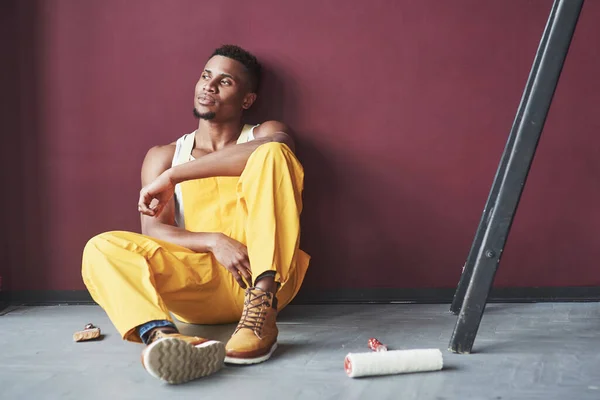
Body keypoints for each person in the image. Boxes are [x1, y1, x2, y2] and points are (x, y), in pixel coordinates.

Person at [81, 44, 310, 384]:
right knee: (100, 247)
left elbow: (277, 148)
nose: (209, 86)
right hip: (197, 284)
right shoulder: (162, 155)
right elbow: (155, 230)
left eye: (225, 81)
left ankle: (260, 314)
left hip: (266, 280)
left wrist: (175, 175)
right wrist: (214, 241)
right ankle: (164, 339)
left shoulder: (263, 135)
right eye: (206, 76)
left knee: (275, 154)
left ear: (247, 99)